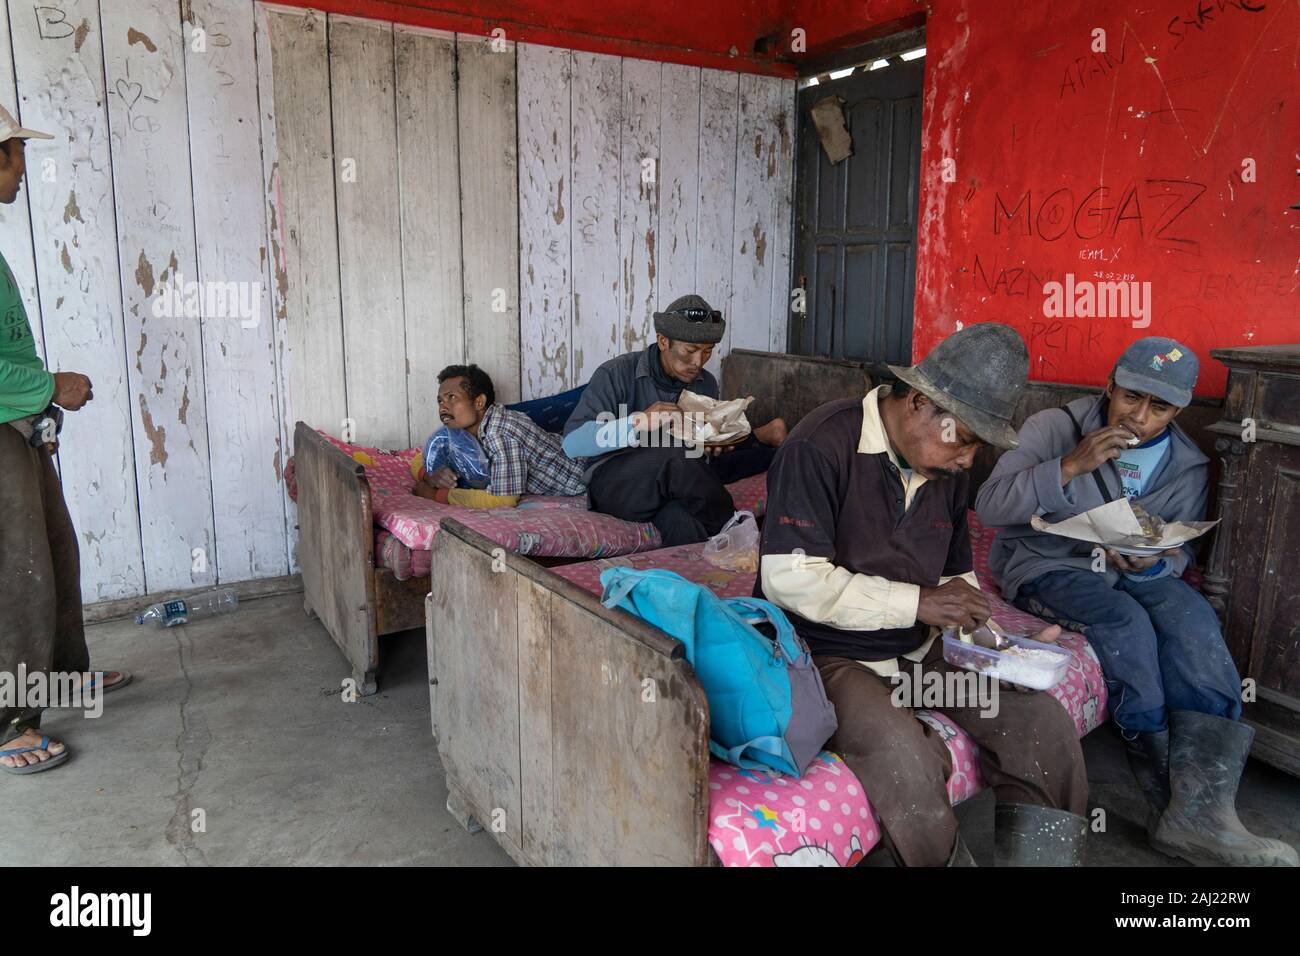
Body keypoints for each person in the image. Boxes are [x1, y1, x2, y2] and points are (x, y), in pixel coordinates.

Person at [755, 322, 1090, 866]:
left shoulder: (948, 469)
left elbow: (957, 576)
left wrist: (988, 636)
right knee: (904, 756)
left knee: (1040, 722)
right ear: (916, 403)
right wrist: (917, 603)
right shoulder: (820, 445)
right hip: (827, 655)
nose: (968, 461)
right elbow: (789, 578)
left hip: (918, 651)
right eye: (967, 440)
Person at [975, 337, 1297, 866]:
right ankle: (1163, 803)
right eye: (1130, 398)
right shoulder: (1053, 428)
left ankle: (1204, 812)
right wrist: (1069, 467)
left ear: (1179, 411)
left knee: (1193, 620)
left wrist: (1158, 563)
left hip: (1134, 574)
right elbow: (989, 506)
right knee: (1125, 625)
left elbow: (1181, 548)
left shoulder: (1186, 465)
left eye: (1160, 407)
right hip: (1051, 565)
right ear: (1110, 386)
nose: (1139, 417)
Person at [0, 104, 131, 775]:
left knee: (53, 549)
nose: (23, 168)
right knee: (15, 571)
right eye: (15, 153)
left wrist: (38, 412)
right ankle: (9, 723)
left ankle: (60, 674)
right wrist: (50, 388)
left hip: (16, 423)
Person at [561, 294, 787, 546]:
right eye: (690, 351)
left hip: (671, 488)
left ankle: (708, 580)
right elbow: (572, 443)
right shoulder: (616, 373)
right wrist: (637, 423)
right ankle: (741, 534)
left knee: (685, 525)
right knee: (673, 456)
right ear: (663, 341)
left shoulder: (705, 383)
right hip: (615, 485)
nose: (698, 362)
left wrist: (711, 445)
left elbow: (695, 457)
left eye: (707, 352)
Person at [412, 364, 586, 508]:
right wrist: (429, 475)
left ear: (479, 402)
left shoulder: (500, 436)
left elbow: (503, 500)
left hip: (585, 477)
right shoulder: (465, 426)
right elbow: (421, 457)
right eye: (440, 400)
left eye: (452, 397)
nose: (443, 407)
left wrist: (436, 495)